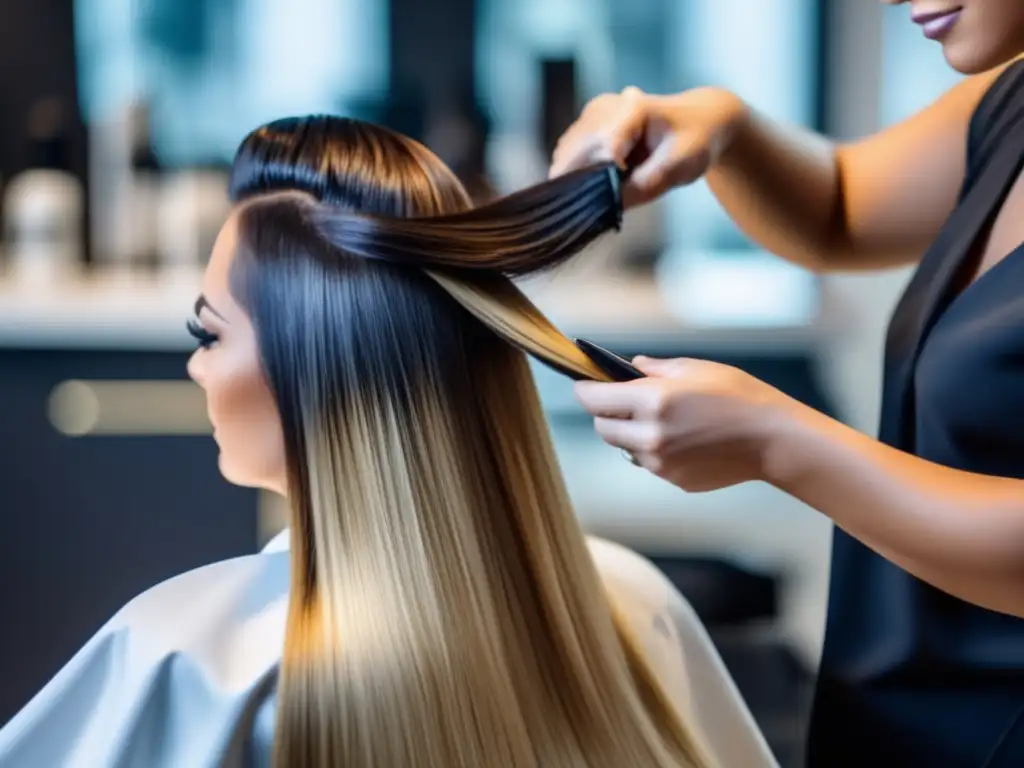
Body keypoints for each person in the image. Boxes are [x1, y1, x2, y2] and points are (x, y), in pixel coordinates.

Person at [0, 116, 776, 768]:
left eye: (208, 331)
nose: (196, 367)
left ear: (315, 367)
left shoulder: (194, 656)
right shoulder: (636, 606)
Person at [547, 1, 1024, 766]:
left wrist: (780, 443)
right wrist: (719, 126)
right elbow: (841, 208)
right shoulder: (1012, 100)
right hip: (900, 719)